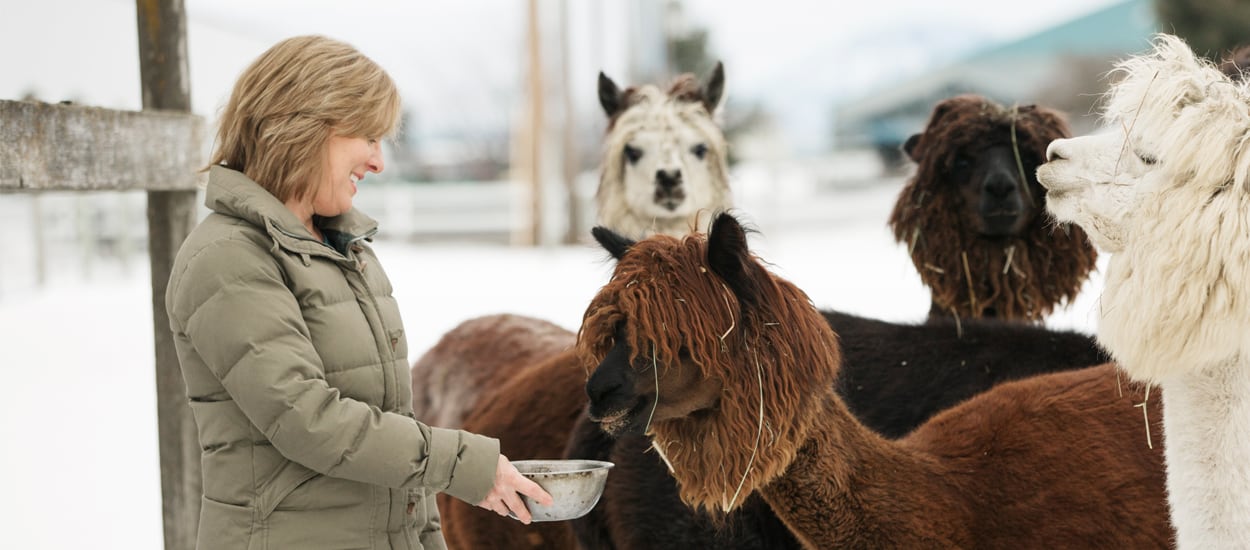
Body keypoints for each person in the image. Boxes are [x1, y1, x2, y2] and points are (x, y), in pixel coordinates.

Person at [165, 35, 551, 550]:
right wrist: (466, 465)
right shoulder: (229, 258)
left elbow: (393, 423)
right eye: (367, 136)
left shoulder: (346, 251)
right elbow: (306, 419)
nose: (378, 162)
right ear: (304, 127)